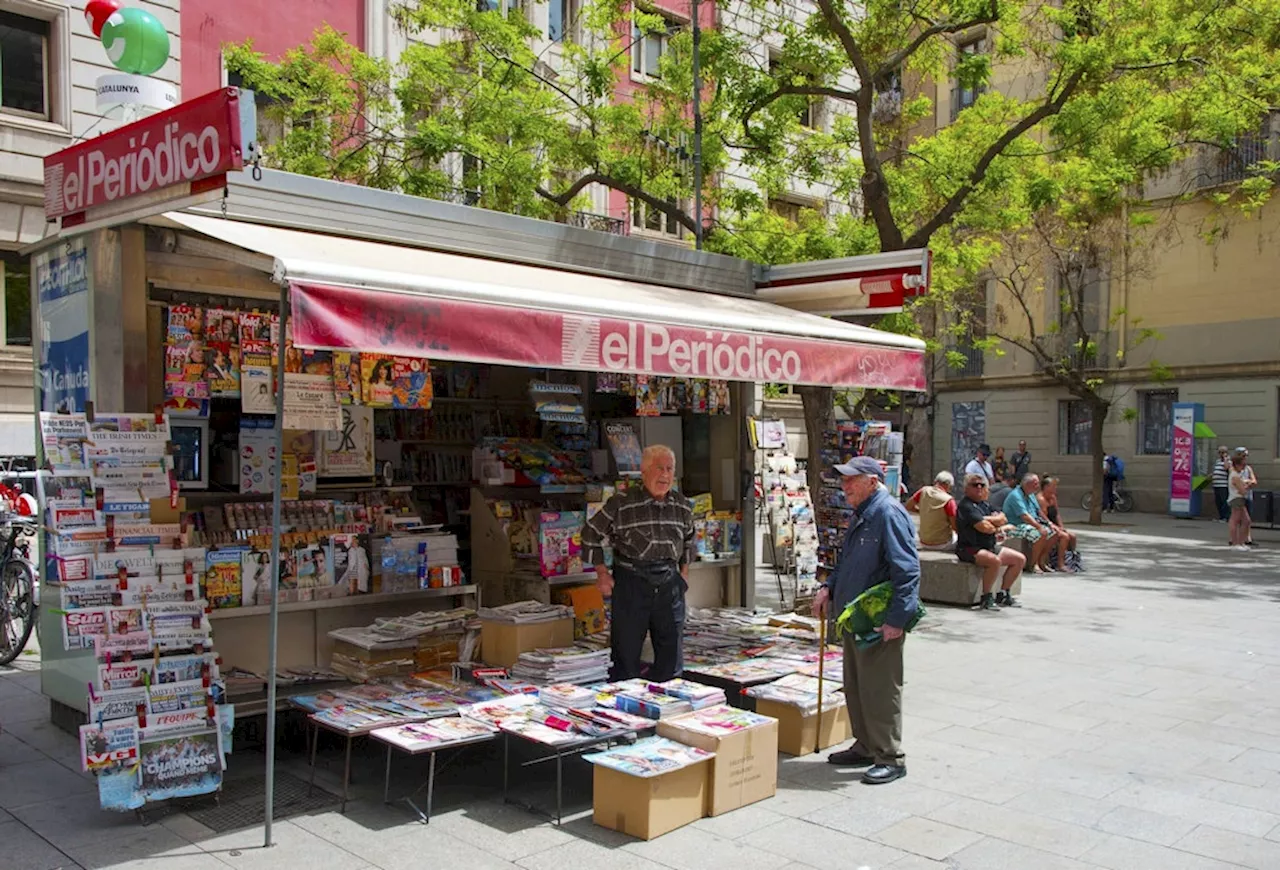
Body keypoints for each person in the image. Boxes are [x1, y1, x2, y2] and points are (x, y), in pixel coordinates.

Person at [813, 456, 918, 785]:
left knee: (880, 689)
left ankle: (890, 755)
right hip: (856, 619)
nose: (844, 487)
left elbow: (908, 570)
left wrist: (897, 619)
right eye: (843, 480)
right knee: (857, 687)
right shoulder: (863, 514)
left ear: (873, 481)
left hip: (878, 621)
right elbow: (847, 563)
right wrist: (828, 587)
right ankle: (866, 745)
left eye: (851, 480)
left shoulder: (887, 513)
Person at [583, 444, 695, 682]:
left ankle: (669, 708)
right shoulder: (622, 502)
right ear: (643, 471)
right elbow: (589, 534)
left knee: (671, 657)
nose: (665, 474)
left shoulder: (682, 505)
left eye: (669, 469)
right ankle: (626, 712)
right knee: (625, 657)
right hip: (631, 581)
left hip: (669, 583)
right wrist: (602, 573)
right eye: (659, 468)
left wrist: (684, 573)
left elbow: (689, 540)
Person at [955, 474, 1026, 610]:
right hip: (970, 549)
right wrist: (994, 523)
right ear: (966, 489)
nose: (979, 488)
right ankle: (986, 598)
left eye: (982, 485)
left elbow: (1003, 518)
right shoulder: (966, 506)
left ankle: (1004, 594)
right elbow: (985, 528)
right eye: (975, 485)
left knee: (1019, 559)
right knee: (994, 561)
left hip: (989, 546)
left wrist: (985, 519)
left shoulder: (985, 504)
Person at [1004, 474, 1063, 573]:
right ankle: (1032, 564)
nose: (1038, 486)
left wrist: (1050, 523)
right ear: (1027, 484)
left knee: (1054, 533)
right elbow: (1025, 516)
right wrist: (1039, 527)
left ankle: (1042, 561)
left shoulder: (1031, 495)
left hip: (1031, 523)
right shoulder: (1016, 495)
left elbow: (1039, 511)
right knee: (1041, 533)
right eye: (1035, 484)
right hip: (1017, 524)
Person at [905, 471, 957, 550]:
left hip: (923, 541)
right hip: (942, 543)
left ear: (935, 481)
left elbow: (908, 506)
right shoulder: (948, 500)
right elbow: (954, 526)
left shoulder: (923, 491)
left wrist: (922, 511)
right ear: (948, 485)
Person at [1038, 477, 1080, 572]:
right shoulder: (1041, 499)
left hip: (1055, 525)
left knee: (1072, 536)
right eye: (1053, 486)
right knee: (1064, 537)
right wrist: (1057, 528)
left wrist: (1061, 526)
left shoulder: (1053, 497)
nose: (1055, 488)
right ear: (1046, 487)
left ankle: (1070, 560)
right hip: (1047, 525)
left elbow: (1057, 514)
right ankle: (1060, 564)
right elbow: (1044, 518)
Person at [1228, 447, 1257, 551]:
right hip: (1237, 498)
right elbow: (1242, 491)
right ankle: (1236, 543)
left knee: (1246, 521)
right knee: (1236, 520)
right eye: (1242, 465)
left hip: (1238, 499)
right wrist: (1246, 485)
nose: (1243, 467)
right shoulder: (1235, 475)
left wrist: (1244, 483)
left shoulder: (1236, 474)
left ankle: (1240, 542)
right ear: (1237, 465)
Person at [1212, 446, 1232, 523]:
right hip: (1216, 484)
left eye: (1222, 452)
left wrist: (1225, 459)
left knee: (1224, 501)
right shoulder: (1217, 461)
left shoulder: (1228, 461)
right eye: (1219, 452)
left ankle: (1225, 517)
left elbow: (1227, 468)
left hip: (1223, 485)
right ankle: (1221, 516)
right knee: (1218, 501)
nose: (1220, 454)